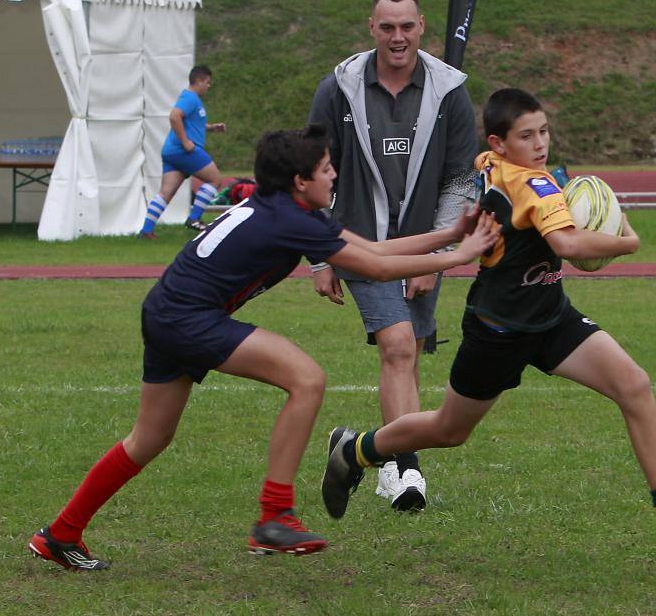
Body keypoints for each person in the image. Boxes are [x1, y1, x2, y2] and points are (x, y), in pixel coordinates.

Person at [28, 124, 500, 570]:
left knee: (149, 439)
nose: (333, 174)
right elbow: (374, 269)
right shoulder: (292, 220)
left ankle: (61, 533)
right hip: (186, 318)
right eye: (326, 169)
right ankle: (274, 517)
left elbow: (374, 251)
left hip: (166, 311)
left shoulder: (288, 209)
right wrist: (459, 256)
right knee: (307, 379)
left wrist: (450, 236)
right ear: (300, 181)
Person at [321, 89, 656, 551]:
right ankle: (355, 450)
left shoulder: (491, 166)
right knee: (448, 431)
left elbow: (490, 176)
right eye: (526, 136)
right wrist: (626, 241)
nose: (540, 144)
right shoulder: (535, 188)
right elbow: (571, 247)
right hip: (498, 330)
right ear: (499, 142)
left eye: (544, 131)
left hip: (550, 317)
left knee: (633, 384)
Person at [308, 0, 478, 511]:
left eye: (406, 26)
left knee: (408, 352)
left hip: (426, 244)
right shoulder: (338, 87)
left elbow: (459, 182)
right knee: (399, 346)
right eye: (387, 27)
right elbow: (311, 172)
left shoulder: (449, 91)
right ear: (371, 27)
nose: (397, 37)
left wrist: (430, 260)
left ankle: (371, 450)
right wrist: (320, 254)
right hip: (361, 243)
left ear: (422, 25)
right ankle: (404, 471)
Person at [139, 64, 226, 238]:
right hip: (183, 150)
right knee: (215, 180)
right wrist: (186, 142)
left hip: (170, 151)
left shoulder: (191, 99)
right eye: (208, 82)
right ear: (199, 81)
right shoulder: (191, 98)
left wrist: (211, 128)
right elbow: (174, 116)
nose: (209, 86)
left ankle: (146, 231)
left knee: (166, 193)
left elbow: (192, 123)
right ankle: (194, 218)